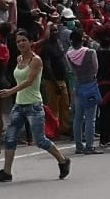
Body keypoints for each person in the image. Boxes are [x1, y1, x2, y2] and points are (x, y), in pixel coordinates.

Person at [0, 29, 71, 182]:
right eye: (18, 41)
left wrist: (10, 91)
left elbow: (29, 81)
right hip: (19, 105)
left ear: (31, 42)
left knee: (40, 140)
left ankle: (63, 161)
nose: (20, 43)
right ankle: (7, 172)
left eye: (24, 40)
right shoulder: (19, 59)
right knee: (10, 138)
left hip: (33, 105)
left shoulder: (36, 60)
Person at [66, 29, 102, 155]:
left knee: (78, 118)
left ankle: (78, 146)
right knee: (90, 118)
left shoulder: (69, 55)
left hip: (78, 85)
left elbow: (72, 70)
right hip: (90, 85)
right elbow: (96, 68)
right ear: (82, 40)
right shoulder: (91, 52)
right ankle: (89, 146)